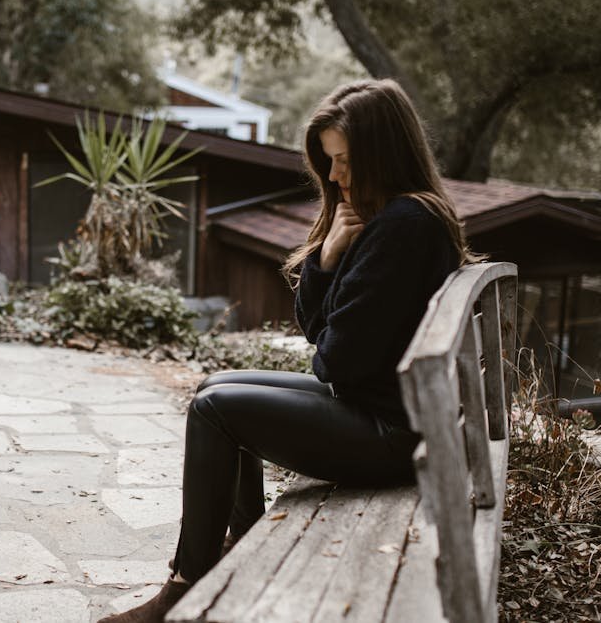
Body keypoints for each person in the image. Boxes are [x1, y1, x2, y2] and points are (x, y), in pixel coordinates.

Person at [99, 79, 478, 622]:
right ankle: (241, 545)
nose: (335, 176)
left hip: (392, 436)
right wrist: (326, 259)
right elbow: (318, 336)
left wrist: (331, 335)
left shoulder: (404, 226)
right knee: (215, 386)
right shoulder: (394, 216)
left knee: (215, 410)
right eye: (329, 162)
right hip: (388, 411)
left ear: (383, 153)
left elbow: (334, 360)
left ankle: (184, 587)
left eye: (345, 161)